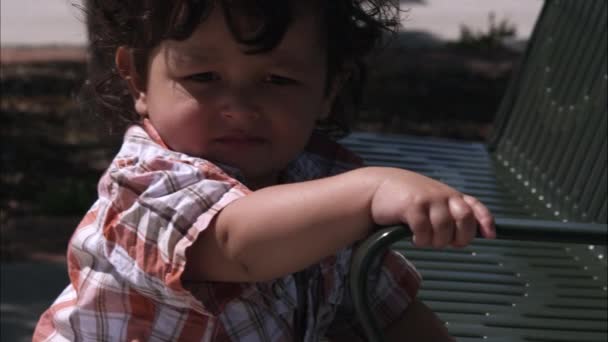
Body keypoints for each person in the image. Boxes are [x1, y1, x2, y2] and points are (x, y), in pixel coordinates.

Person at [34, 0, 495, 341]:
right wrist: (371, 187)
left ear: (329, 88)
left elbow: (386, 309)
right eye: (204, 78)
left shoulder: (316, 176)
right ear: (137, 78)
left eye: (277, 80)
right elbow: (240, 244)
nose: (239, 107)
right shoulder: (146, 184)